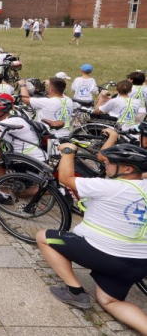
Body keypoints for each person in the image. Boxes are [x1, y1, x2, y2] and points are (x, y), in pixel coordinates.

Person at [36, 135, 147, 334]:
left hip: (106, 255)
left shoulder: (108, 186)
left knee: (43, 236)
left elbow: (65, 179)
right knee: (109, 300)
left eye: (112, 163)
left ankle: (75, 291)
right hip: (140, 263)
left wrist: (68, 151)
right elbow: (105, 157)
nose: (107, 165)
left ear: (128, 169)